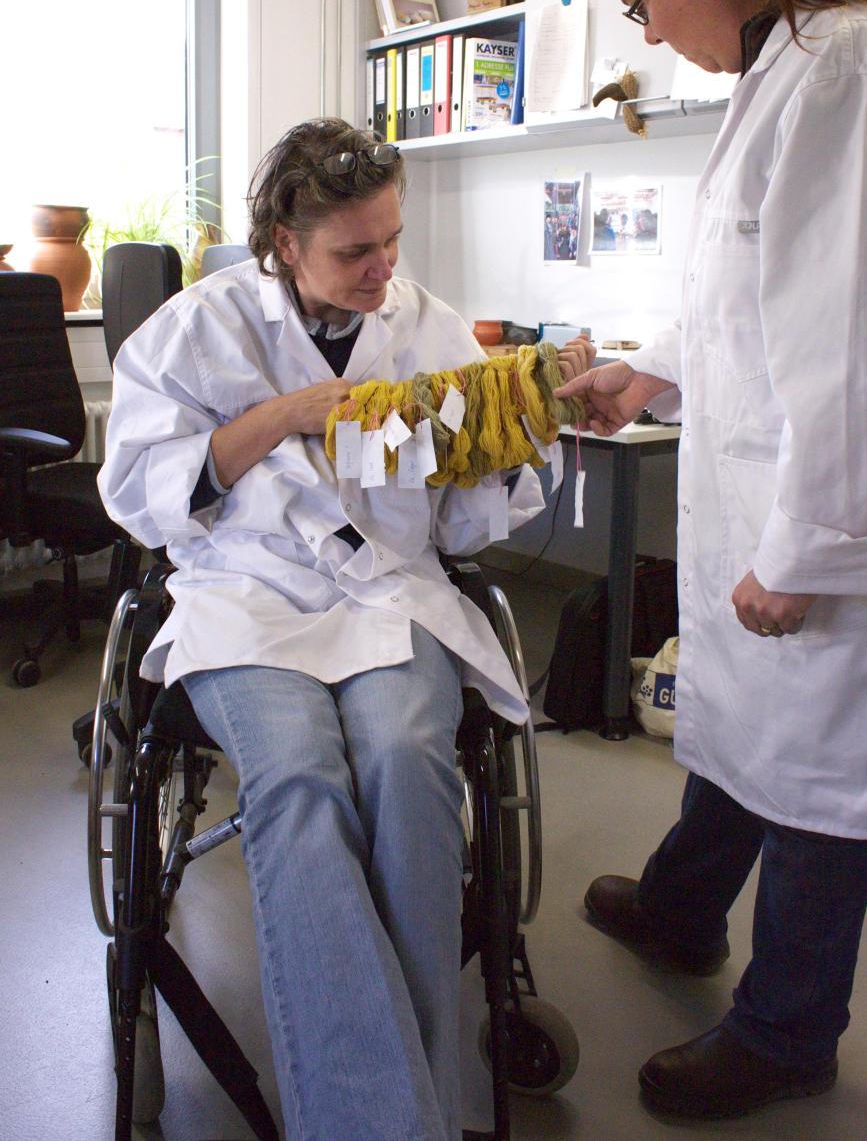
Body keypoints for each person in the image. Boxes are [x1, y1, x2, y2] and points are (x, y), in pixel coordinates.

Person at [99, 118, 591, 1141]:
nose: (382, 268)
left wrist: (512, 436)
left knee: (409, 764)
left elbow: (460, 523)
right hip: (248, 597)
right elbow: (139, 491)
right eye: (354, 250)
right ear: (285, 241)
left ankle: (383, 1107)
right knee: (298, 780)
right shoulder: (200, 327)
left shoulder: (429, 327)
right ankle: (390, 1119)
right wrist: (282, 417)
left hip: (386, 592)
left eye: (392, 240)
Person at [555, 0, 867, 1122]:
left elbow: (845, 341)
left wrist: (808, 548)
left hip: (820, 508)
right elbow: (738, 299)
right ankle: (685, 911)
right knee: (740, 725)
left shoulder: (841, 70)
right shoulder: (775, 69)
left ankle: (789, 1031)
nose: (648, 32)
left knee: (817, 779)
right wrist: (646, 372)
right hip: (754, 488)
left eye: (639, 5)